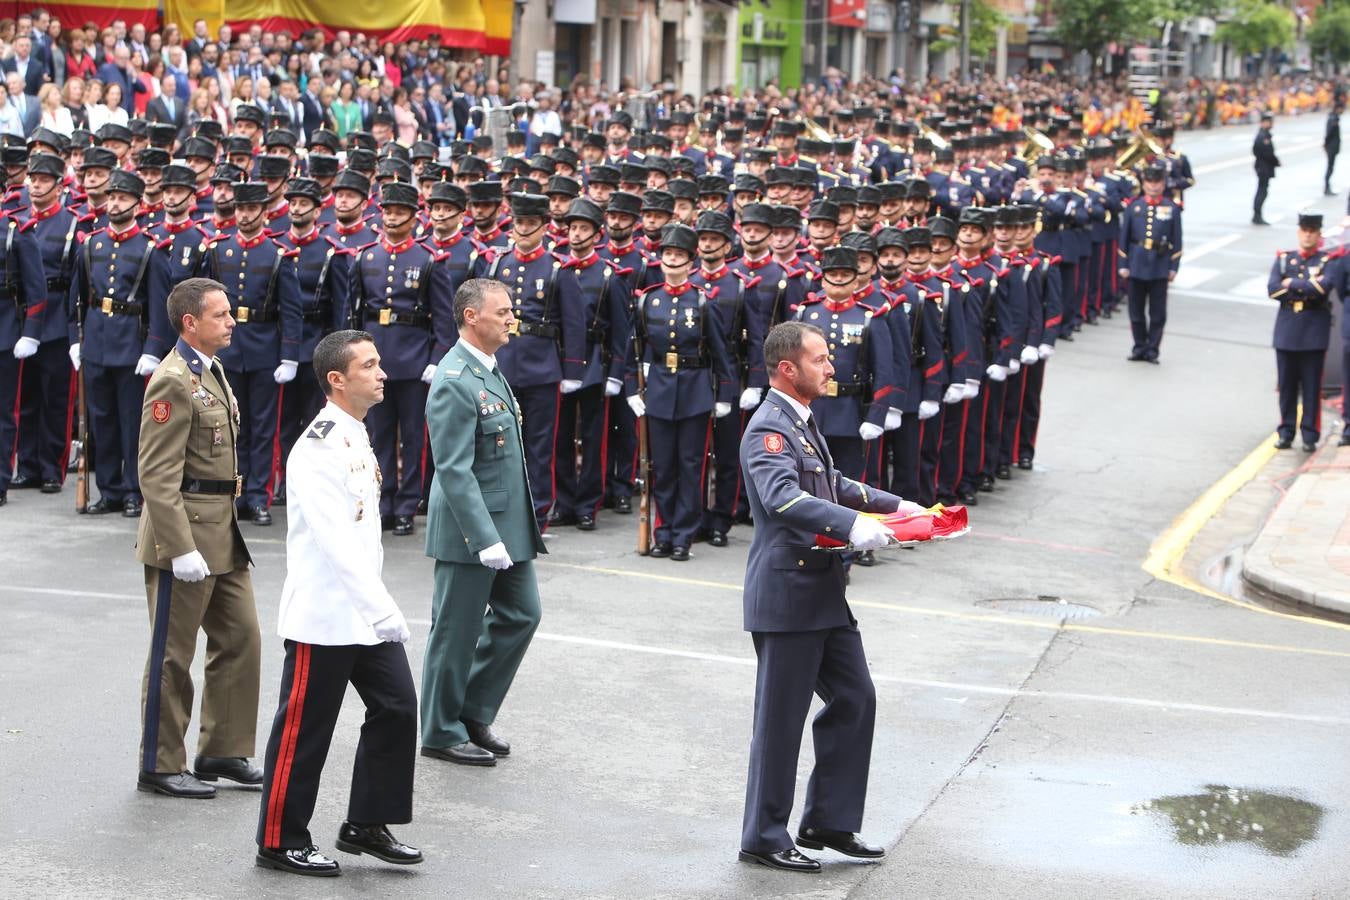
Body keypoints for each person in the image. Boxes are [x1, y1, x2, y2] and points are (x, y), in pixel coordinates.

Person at [738, 320, 923, 873]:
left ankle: (829, 822)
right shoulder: (768, 429)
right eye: (820, 359)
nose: (831, 366)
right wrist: (852, 526)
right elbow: (782, 499)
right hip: (788, 593)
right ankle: (764, 835)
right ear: (788, 369)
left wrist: (898, 507)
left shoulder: (802, 420)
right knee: (781, 722)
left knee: (855, 698)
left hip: (822, 591)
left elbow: (834, 482)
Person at [254, 329, 421, 878]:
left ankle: (367, 822)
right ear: (337, 379)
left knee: (397, 708)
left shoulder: (354, 432)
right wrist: (384, 610)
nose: (381, 373)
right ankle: (280, 839)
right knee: (306, 728)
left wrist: (374, 610)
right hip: (326, 615)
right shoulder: (319, 445)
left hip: (363, 613)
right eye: (369, 366)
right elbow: (335, 541)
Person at [133, 277, 262, 798]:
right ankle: (160, 763)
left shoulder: (211, 371)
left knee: (242, 638)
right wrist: (180, 547)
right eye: (222, 315)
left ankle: (223, 749)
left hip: (222, 529)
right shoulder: (172, 380)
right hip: (184, 534)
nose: (232, 322)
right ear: (191, 323)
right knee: (173, 654)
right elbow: (157, 474)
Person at [420, 278, 545, 767]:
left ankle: (472, 710)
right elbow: (452, 468)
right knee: (455, 630)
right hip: (472, 531)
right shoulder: (454, 379)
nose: (511, 318)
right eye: (503, 311)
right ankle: (439, 729)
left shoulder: (488, 370)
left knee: (522, 614)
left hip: (504, 527)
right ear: (472, 317)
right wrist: (483, 537)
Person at [1271, 213, 1334, 452]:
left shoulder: (1327, 260)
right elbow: (1273, 289)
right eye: (1304, 230)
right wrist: (1306, 287)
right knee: (1287, 388)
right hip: (1287, 331)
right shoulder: (1285, 259)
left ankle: (1309, 435)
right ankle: (1286, 432)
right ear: (1299, 232)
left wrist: (1292, 285)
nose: (1308, 234)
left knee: (1310, 388)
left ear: (1319, 235)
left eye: (1312, 231)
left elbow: (1323, 288)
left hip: (1313, 334)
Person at [1118, 164, 1182, 364]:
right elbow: (1124, 238)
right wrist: (1123, 263)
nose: (1153, 187)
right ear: (1144, 184)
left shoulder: (1171, 208)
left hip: (1159, 265)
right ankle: (1139, 346)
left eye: (1157, 183)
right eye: (1150, 182)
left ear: (1163, 184)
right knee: (1135, 312)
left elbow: (1177, 240)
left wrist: (1173, 267)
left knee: (1157, 313)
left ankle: (1153, 349)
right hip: (1136, 263)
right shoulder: (1134, 206)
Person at [1252, 112, 1279, 226]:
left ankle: (1257, 215)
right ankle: (1257, 215)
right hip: (1264, 167)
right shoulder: (1262, 136)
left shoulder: (1265, 134)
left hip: (1264, 166)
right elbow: (1264, 152)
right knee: (1262, 191)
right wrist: (1275, 161)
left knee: (1263, 190)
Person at [1326, 103, 1342, 196]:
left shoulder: (1334, 118)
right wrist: (1326, 145)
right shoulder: (1333, 119)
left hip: (1332, 147)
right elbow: (1329, 134)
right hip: (1331, 147)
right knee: (1330, 167)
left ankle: (1327, 187)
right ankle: (1327, 187)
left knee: (1330, 167)